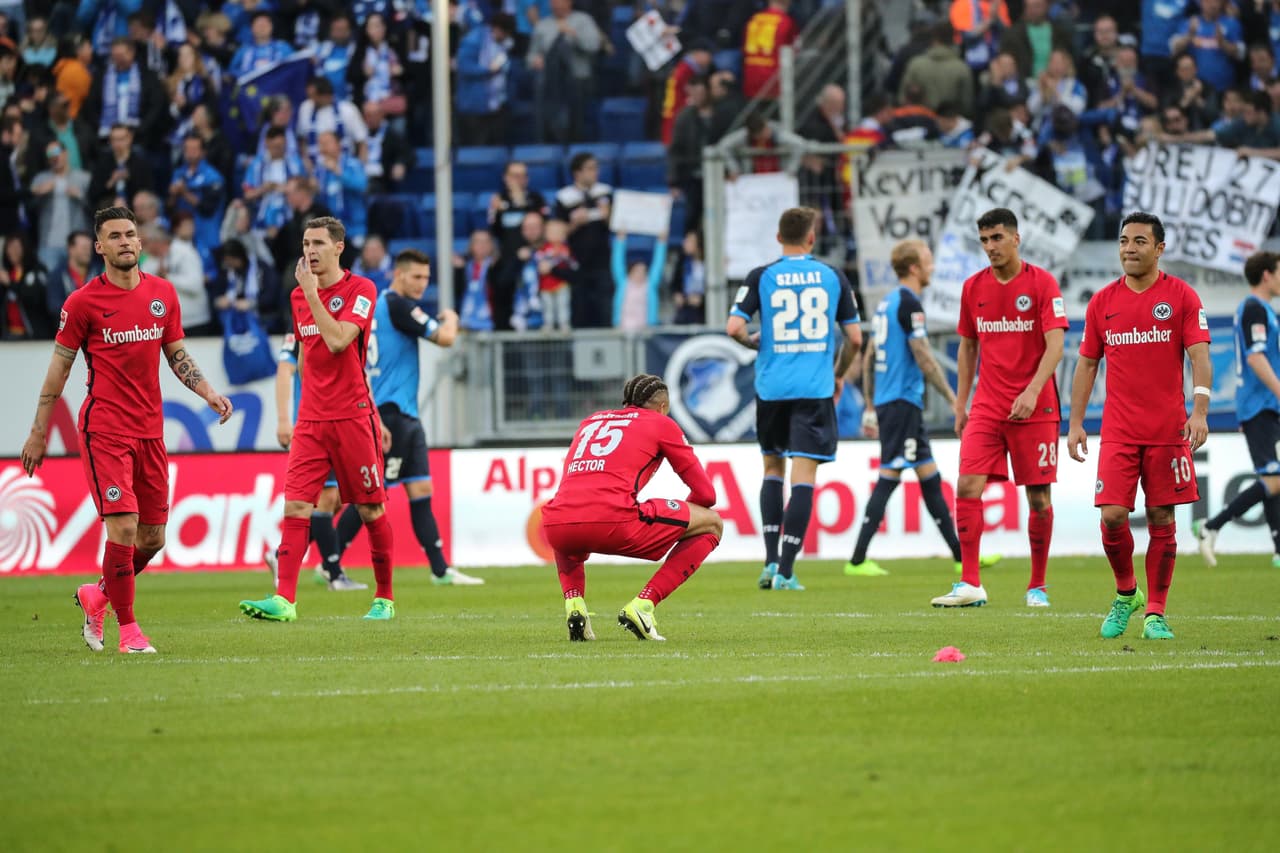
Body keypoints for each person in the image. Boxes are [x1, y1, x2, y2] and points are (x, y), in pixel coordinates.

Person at [20, 206, 234, 653]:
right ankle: (129, 631)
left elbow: (176, 355)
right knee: (123, 525)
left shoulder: (163, 295)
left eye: (130, 234)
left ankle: (97, 594)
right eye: (114, 236)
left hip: (150, 432)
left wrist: (208, 392)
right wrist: (39, 431)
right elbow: (58, 372)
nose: (124, 242)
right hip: (105, 430)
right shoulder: (82, 303)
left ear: (140, 242)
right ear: (99, 246)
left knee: (153, 537)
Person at [239, 217, 397, 622]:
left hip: (352, 417)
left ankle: (384, 598)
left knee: (370, 510)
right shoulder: (297, 298)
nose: (310, 250)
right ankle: (285, 600)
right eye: (306, 243)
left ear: (339, 247)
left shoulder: (361, 289)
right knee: (295, 506)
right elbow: (306, 354)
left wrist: (312, 294)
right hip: (311, 420)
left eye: (319, 243)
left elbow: (339, 339)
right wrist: (295, 410)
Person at [1067, 212, 1211, 640]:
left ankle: (1155, 612)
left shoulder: (1182, 296)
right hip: (1119, 431)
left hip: (1168, 430)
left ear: (1159, 248)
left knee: (1161, 515)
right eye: (1124, 241)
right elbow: (1087, 364)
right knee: (1113, 516)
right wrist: (1074, 423)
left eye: (1140, 242)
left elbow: (1200, 356)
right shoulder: (1103, 302)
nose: (1129, 248)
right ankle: (1126, 592)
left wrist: (1199, 410)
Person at [726, 207, 863, 590]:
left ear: (778, 238)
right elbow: (854, 339)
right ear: (811, 237)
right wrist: (838, 374)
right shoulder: (833, 276)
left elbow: (733, 327)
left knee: (772, 469)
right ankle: (787, 570)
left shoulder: (762, 275)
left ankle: (770, 562)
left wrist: (755, 342)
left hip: (771, 388)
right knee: (804, 476)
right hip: (814, 389)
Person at [331, 249, 484, 586]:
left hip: (404, 414)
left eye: (426, 278)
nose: (421, 284)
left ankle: (440, 570)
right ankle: (330, 563)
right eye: (416, 277)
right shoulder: (397, 305)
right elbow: (445, 338)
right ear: (398, 275)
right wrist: (452, 318)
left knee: (420, 488)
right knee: (372, 495)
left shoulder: (380, 307)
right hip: (391, 413)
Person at [847, 239, 1000, 578]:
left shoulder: (886, 303)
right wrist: (952, 397)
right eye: (929, 260)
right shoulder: (909, 303)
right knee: (890, 474)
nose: (932, 266)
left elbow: (872, 355)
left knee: (929, 478)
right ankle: (857, 560)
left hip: (894, 402)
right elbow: (924, 356)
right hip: (902, 403)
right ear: (914, 268)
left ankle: (963, 556)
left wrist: (871, 402)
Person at [940, 207, 1067, 609]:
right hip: (988, 406)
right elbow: (967, 345)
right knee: (966, 487)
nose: (990, 247)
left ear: (1016, 238)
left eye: (996, 238)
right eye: (984, 240)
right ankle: (970, 582)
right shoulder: (973, 287)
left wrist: (1031, 391)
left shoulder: (1043, 284)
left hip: (1035, 407)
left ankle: (1037, 585)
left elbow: (1057, 345)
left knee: (1038, 499)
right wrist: (961, 402)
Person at [540, 374, 724, 642]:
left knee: (569, 514)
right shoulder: (661, 423)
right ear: (662, 407)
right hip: (615, 521)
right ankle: (643, 606)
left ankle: (575, 605)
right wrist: (683, 521)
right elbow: (707, 494)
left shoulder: (590, 421)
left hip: (556, 525)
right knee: (713, 522)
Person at [1193, 251, 1280, 568]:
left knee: (1272, 474)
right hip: (1259, 405)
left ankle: (1278, 549)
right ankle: (1211, 525)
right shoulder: (1254, 308)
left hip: (1265, 405)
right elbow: (1256, 358)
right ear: (1267, 275)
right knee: (1273, 478)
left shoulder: (1264, 310)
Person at [265, 327, 368, 592]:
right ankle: (334, 574)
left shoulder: (340, 325)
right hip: (313, 426)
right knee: (325, 500)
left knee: (332, 504)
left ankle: (281, 557)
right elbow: (284, 370)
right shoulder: (301, 325)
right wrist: (284, 419)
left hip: (340, 422)